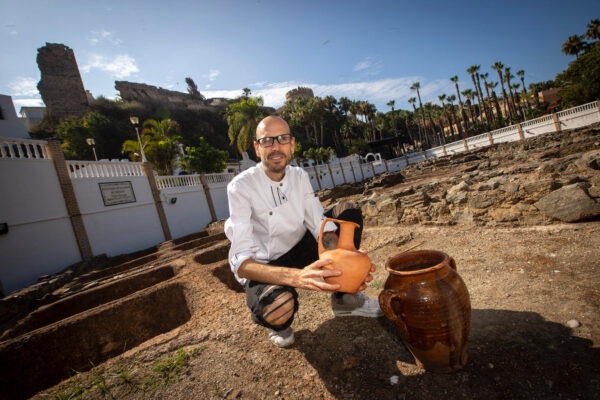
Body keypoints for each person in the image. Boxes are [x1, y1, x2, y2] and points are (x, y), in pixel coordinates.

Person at [224, 116, 382, 348]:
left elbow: (320, 225)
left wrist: (344, 260)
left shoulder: (299, 176)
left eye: (282, 139)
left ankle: (343, 299)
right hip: (266, 267)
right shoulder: (240, 187)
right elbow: (241, 263)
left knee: (346, 213)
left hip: (302, 248)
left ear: (292, 145)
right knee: (277, 307)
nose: (276, 146)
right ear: (257, 148)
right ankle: (279, 324)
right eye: (267, 141)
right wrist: (297, 277)